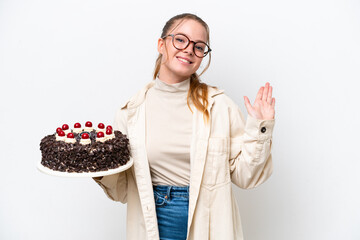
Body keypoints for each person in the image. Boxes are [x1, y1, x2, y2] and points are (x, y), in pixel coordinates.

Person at [93, 13, 275, 240]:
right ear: (161, 44)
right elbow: (122, 191)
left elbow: (246, 177)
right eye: (180, 40)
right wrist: (95, 167)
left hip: (209, 218)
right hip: (155, 219)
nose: (189, 49)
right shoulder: (131, 112)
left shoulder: (220, 106)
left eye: (199, 46)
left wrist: (260, 129)